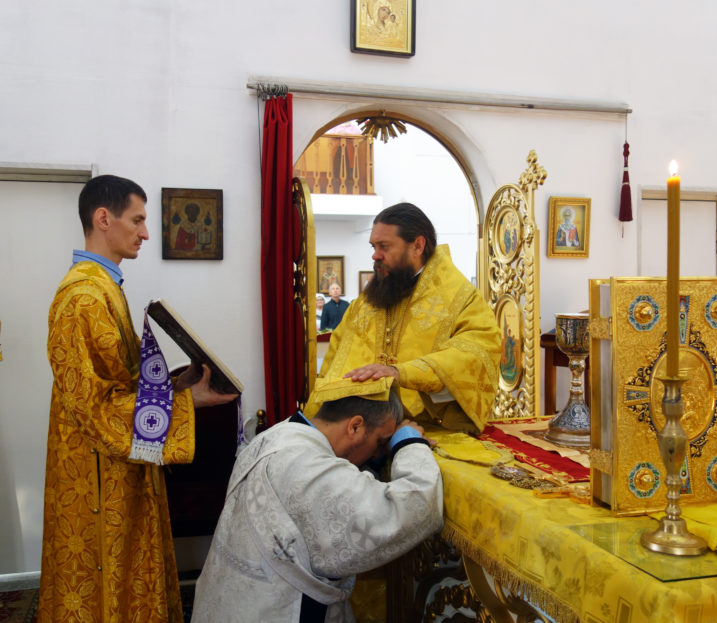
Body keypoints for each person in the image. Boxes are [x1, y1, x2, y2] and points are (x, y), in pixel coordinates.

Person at [38, 175, 239, 623]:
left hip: (116, 465)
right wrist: (189, 403)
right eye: (137, 220)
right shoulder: (84, 298)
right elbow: (96, 408)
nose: (146, 233)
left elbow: (122, 387)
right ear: (103, 218)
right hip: (98, 476)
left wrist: (177, 387)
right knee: (106, 584)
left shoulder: (105, 287)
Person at [191, 379, 443, 622]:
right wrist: (409, 443)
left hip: (225, 603)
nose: (380, 452)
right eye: (381, 442)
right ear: (355, 426)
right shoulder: (313, 471)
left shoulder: (276, 435)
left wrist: (374, 460)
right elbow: (416, 506)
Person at [307, 203, 502, 433]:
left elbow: (477, 354)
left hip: (428, 429)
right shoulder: (365, 303)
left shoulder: (460, 298)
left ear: (418, 246)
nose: (375, 255)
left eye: (384, 246)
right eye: (373, 246)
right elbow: (333, 362)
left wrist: (402, 373)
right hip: (359, 431)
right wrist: (316, 422)